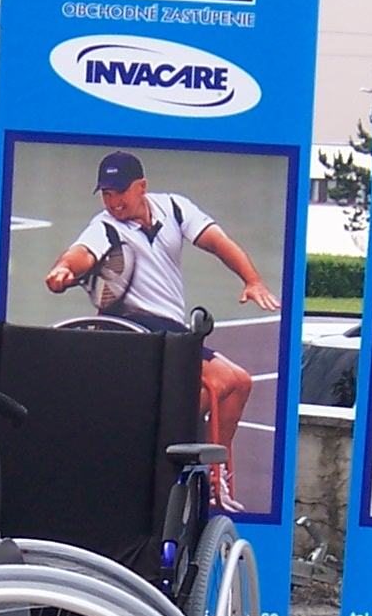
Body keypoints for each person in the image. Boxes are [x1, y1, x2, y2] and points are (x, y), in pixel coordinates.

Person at [42, 150, 280, 509]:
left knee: (241, 382)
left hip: (170, 331)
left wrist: (253, 280)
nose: (113, 201)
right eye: (106, 193)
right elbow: (80, 255)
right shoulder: (104, 227)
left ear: (142, 186)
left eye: (120, 191)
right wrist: (63, 270)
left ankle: (211, 473)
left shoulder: (175, 208)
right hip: (130, 332)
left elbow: (218, 242)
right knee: (218, 382)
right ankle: (159, 451)